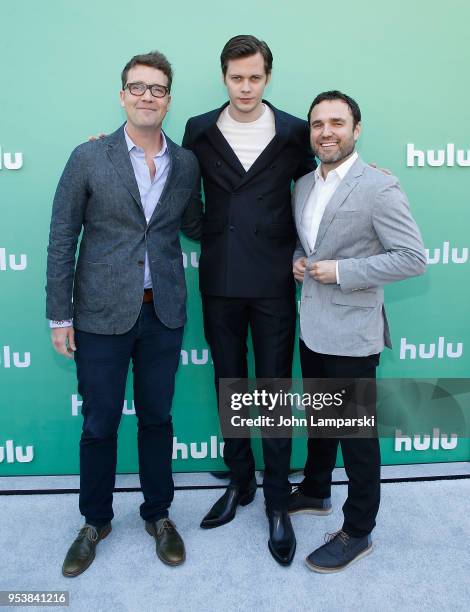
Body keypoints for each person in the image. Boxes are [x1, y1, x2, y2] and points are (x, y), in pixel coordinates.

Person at [46, 50, 201, 576]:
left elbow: (201, 223)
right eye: (137, 87)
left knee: (157, 419)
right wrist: (58, 316)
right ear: (122, 95)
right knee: (100, 421)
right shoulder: (89, 157)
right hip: (99, 315)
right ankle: (95, 521)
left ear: (168, 99)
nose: (147, 96)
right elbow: (62, 237)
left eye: (157, 89)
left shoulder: (186, 163)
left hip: (163, 314)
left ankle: (158, 515)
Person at [182, 34, 315, 565]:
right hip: (219, 278)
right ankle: (241, 481)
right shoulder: (199, 129)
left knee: (275, 389)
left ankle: (277, 498)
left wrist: (368, 177)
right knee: (231, 384)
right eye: (236, 77)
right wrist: (208, 231)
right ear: (224, 77)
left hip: (275, 281)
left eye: (254, 77)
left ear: (267, 77)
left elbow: (320, 190)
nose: (245, 87)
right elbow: (176, 183)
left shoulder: (292, 132)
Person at [290, 90, 426, 572]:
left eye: (336, 123)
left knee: (356, 436)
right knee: (322, 420)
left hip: (352, 332)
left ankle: (359, 530)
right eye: (317, 124)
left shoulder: (379, 186)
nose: (326, 132)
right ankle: (314, 490)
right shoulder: (303, 185)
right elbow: (307, 243)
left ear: (356, 129)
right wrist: (300, 263)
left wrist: (341, 272)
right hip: (312, 327)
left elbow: (412, 258)